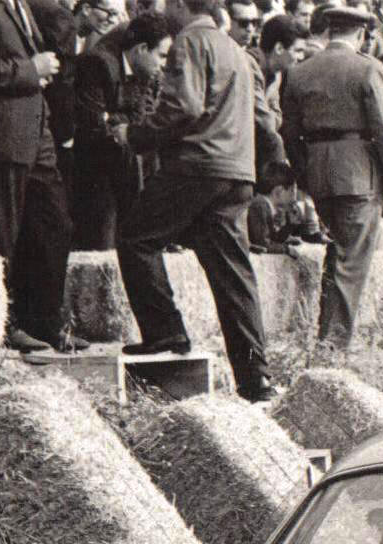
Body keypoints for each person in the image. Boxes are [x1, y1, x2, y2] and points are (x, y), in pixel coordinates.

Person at [116, 0, 278, 400]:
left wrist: (135, 135)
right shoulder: (235, 50)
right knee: (233, 276)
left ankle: (165, 333)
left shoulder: (190, 41)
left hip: (196, 167)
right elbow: (263, 118)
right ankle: (256, 379)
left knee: (136, 238)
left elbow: (183, 107)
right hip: (236, 171)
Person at [280, 3, 383, 348]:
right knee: (351, 263)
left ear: (330, 30)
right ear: (361, 34)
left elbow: (289, 133)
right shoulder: (368, 68)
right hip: (357, 174)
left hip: (319, 172)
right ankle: (334, 346)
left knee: (338, 255)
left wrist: (306, 174)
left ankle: (328, 336)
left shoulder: (300, 72)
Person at [0, 0, 74, 353]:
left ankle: (45, 322)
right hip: (1, 134)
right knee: (0, 234)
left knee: (54, 225)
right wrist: (32, 69)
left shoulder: (20, 4)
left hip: (36, 132)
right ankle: (3, 325)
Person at [71, 10, 171, 250]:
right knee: (103, 243)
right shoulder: (97, 63)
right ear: (142, 49)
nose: (164, 64)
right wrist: (122, 123)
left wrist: (113, 118)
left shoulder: (147, 71)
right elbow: (93, 124)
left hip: (125, 166)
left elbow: (141, 118)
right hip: (96, 168)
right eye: (162, 55)